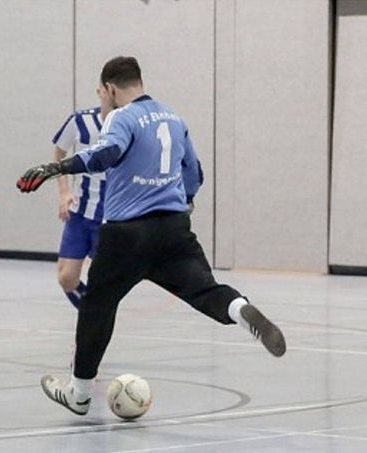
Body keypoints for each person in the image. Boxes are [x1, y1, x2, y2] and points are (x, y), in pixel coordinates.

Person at [17, 56, 286, 415]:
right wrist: (186, 200)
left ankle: (79, 393)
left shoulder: (120, 117)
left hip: (126, 234)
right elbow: (194, 171)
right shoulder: (174, 118)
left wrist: (57, 167)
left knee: (98, 304)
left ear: (110, 89)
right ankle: (241, 309)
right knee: (206, 289)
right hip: (173, 229)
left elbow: (105, 153)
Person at [51, 88, 112, 308]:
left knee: (103, 281)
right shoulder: (81, 120)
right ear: (102, 91)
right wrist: (64, 192)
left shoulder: (128, 124)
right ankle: (92, 316)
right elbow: (58, 154)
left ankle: (94, 325)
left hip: (110, 217)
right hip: (80, 211)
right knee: (67, 277)